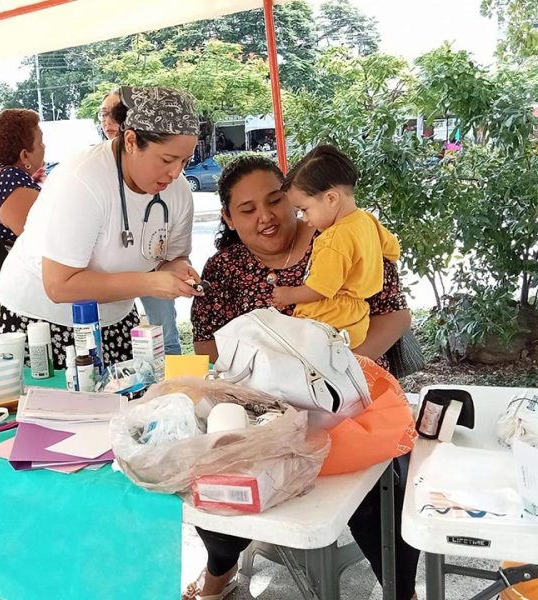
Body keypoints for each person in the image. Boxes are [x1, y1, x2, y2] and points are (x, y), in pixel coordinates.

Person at [187, 155, 418, 600]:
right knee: (218, 477)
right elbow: (207, 349)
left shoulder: (342, 235)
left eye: (275, 201)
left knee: (384, 494)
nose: (266, 216)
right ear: (229, 218)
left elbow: (396, 315)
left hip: (355, 400)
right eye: (248, 209)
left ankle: (401, 591)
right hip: (269, 412)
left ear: (296, 199)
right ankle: (219, 576)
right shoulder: (223, 270)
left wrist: (341, 370)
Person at [0, 86, 202, 368]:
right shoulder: (82, 180)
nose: (176, 172)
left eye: (185, 160)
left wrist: (177, 270)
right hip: (41, 322)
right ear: (130, 140)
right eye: (167, 160)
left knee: (126, 403)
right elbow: (59, 285)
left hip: (114, 318)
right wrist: (151, 282)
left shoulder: (177, 191)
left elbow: (172, 258)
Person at [271, 145, 401, 348]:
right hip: (357, 319)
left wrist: (288, 295)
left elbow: (320, 288)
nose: (305, 219)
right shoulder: (367, 221)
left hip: (329, 321)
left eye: (305, 209)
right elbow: (393, 251)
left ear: (331, 198)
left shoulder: (333, 239)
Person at [99, 90, 182, 355]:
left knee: (165, 337)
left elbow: (177, 255)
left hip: (152, 266)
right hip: (108, 309)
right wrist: (147, 282)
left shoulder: (174, 185)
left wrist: (179, 267)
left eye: (113, 116)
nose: (107, 122)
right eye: (103, 115)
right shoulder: (92, 176)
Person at [0, 108, 45, 245]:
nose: (44, 147)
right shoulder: (13, 181)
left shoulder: (0, 175)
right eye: (40, 143)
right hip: (9, 266)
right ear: (25, 155)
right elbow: (45, 243)